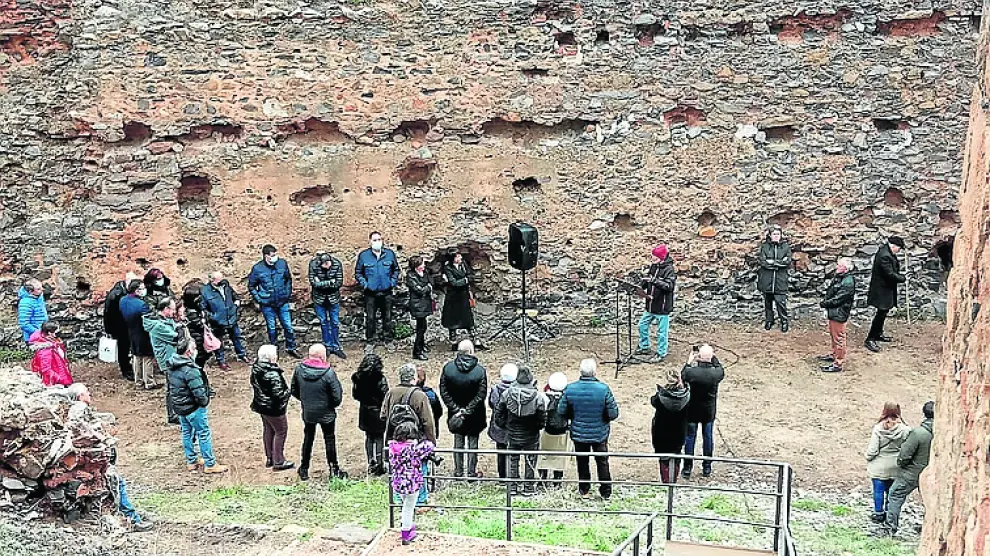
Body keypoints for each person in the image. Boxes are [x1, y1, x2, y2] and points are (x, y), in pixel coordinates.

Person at [557, 358, 619, 499]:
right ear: (594, 372)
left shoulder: (570, 389)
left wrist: (574, 416)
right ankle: (606, 492)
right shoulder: (604, 389)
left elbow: (561, 411)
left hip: (579, 433)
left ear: (581, 372)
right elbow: (613, 414)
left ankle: (584, 490)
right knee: (602, 462)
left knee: (582, 462)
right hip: (600, 433)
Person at [168, 338, 228, 474]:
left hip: (180, 407)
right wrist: (204, 401)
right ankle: (210, 463)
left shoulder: (172, 365)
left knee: (186, 432)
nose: (197, 350)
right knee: (203, 433)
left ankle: (192, 461)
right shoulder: (190, 370)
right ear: (189, 352)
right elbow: (199, 392)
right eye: (194, 348)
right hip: (193, 408)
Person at [290, 344, 345, 481]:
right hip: (326, 413)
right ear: (322, 356)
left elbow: (294, 390)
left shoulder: (299, 370)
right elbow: (337, 397)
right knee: (329, 439)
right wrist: (329, 406)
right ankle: (334, 469)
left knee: (308, 439)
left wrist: (306, 401)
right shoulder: (328, 373)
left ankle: (304, 469)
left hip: (308, 412)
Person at [883, 401, 934, 536]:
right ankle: (929, 528)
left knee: (895, 494)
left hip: (912, 472)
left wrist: (901, 464)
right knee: (930, 501)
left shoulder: (918, 433)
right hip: (933, 473)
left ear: (924, 414)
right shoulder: (944, 433)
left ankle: (890, 528)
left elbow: (904, 455)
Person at [494, 366, 547, 496]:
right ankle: (528, 487)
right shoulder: (537, 397)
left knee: (513, 460)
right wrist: (538, 427)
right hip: (531, 435)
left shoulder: (507, 394)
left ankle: (513, 486)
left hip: (512, 433)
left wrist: (505, 425)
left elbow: (498, 413)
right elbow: (542, 417)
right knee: (530, 461)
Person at [439, 340, 488, 478]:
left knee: (458, 441)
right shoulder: (480, 371)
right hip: (475, 414)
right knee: (473, 443)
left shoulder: (448, 369)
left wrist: (456, 409)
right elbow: (481, 395)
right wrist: (468, 410)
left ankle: (458, 472)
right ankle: (471, 472)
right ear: (471, 352)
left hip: (456, 413)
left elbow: (444, 391)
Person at [680, 345, 725, 479]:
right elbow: (720, 368)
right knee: (708, 438)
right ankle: (707, 467)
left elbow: (683, 373)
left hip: (692, 410)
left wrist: (689, 360)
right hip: (708, 411)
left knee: (690, 438)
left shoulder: (692, 373)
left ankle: (687, 467)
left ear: (698, 357)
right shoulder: (715, 374)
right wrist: (711, 357)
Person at [249, 244, 300, 358]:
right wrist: (260, 299)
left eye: (275, 254)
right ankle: (273, 350)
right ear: (266, 256)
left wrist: (287, 294)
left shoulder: (282, 263)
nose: (274, 257)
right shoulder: (257, 269)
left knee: (288, 326)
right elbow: (251, 286)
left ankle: (291, 347)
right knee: (271, 328)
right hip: (267, 304)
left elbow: (288, 279)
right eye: (272, 255)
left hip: (282, 301)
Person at [388, 422, 435, 546]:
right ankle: (406, 534)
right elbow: (429, 445)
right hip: (411, 482)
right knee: (409, 508)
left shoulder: (392, 447)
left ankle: (408, 526)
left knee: (405, 505)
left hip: (398, 482)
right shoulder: (413, 449)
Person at [864, 402, 911, 523]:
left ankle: (878, 513)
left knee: (878, 491)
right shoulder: (905, 430)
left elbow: (873, 450)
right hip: (896, 466)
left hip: (879, 467)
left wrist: (868, 457)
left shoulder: (878, 428)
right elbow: (907, 448)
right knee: (891, 492)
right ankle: (889, 514)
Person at [250, 344, 294, 471]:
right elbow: (278, 395)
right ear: (270, 358)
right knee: (281, 431)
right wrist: (289, 392)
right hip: (273, 409)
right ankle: (279, 461)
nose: (277, 356)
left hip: (261, 406)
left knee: (268, 430)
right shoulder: (272, 374)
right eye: (275, 354)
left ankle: (270, 457)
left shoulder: (257, 368)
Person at [355, 231, 400, 352]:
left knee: (388, 317)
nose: (377, 242)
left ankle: (388, 340)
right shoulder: (364, 255)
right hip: (371, 294)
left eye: (379, 239)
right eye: (374, 240)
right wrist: (365, 284)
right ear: (370, 242)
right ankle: (370, 341)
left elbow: (396, 270)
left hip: (386, 292)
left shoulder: (389, 254)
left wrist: (392, 282)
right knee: (370, 318)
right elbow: (358, 273)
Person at [144, 297, 184, 424]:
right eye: (172, 309)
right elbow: (176, 338)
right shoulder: (158, 326)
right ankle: (172, 415)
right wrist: (181, 329)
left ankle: (176, 412)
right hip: (168, 360)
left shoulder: (165, 321)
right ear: (166, 309)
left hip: (172, 357)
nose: (174, 312)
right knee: (172, 388)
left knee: (175, 386)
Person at [200, 271, 251, 367]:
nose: (221, 281)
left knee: (236, 337)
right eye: (218, 279)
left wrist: (236, 305)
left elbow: (234, 296)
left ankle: (242, 355)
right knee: (219, 341)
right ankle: (221, 361)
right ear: (212, 280)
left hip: (231, 317)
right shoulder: (205, 291)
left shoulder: (226, 285)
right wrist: (213, 316)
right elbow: (203, 308)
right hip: (218, 321)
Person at [866, 236, 907, 353]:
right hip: (882, 290)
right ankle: (870, 338)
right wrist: (902, 278)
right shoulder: (885, 256)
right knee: (880, 313)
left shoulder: (886, 251)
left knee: (883, 313)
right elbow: (889, 274)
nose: (898, 251)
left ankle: (878, 333)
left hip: (885, 289)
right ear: (894, 246)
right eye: (898, 249)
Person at [636, 244, 675, 363]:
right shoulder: (653, 267)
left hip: (662, 307)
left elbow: (669, 286)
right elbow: (647, 281)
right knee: (642, 325)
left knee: (661, 332)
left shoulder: (669, 269)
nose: (652, 258)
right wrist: (639, 286)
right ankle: (645, 347)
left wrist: (654, 281)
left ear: (661, 257)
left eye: (655, 257)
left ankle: (661, 353)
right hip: (650, 305)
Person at [651, 367, 691, 483]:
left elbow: (652, 401)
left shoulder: (660, 397)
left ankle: (666, 480)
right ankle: (673, 480)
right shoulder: (686, 396)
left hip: (662, 432)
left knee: (664, 458)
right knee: (677, 455)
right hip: (679, 431)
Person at [352, 354, 389, 476]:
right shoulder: (380, 379)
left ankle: (370, 462)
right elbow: (385, 396)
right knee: (379, 437)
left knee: (369, 437)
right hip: (377, 411)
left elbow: (355, 395)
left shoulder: (358, 378)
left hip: (365, 411)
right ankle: (379, 464)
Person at [382, 363, 437, 444]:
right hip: (415, 442)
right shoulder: (420, 395)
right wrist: (432, 442)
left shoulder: (391, 393)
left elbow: (383, 415)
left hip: (394, 441)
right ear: (414, 377)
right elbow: (428, 423)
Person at [441, 252, 485, 350]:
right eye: (457, 256)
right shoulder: (448, 268)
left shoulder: (463, 264)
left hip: (463, 296)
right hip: (453, 298)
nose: (460, 257)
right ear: (453, 258)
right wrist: (464, 280)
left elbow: (469, 275)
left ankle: (476, 341)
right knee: (452, 321)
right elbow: (454, 283)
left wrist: (464, 280)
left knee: (468, 320)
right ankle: (454, 342)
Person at [819, 258, 856, 373]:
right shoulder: (841, 277)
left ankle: (838, 363)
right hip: (835, 311)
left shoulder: (848, 282)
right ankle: (835, 354)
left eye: (839, 266)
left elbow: (838, 299)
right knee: (834, 335)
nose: (837, 267)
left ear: (845, 268)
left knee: (839, 337)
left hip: (839, 312)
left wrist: (824, 304)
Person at [119, 280, 157, 390]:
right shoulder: (142, 305)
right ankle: (149, 382)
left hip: (131, 331)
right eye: (142, 288)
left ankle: (138, 381)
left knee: (136, 356)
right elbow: (147, 321)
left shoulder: (123, 300)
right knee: (147, 357)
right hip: (143, 333)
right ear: (136, 290)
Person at [309, 252, 346, 359]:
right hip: (319, 299)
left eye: (328, 263)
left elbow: (338, 283)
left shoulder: (337, 264)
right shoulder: (313, 265)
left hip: (333, 298)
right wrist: (330, 282)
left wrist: (322, 283)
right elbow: (314, 284)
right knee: (323, 323)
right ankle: (327, 346)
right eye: (324, 264)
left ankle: (336, 346)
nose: (327, 266)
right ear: (320, 263)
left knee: (334, 323)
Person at [756, 225, 792, 333]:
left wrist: (773, 262)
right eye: (774, 234)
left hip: (780, 280)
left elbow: (787, 261)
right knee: (768, 302)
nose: (776, 236)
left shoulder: (785, 247)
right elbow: (763, 261)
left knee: (780, 302)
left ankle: (784, 321)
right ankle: (769, 320)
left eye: (778, 234)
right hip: (767, 279)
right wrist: (777, 263)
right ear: (770, 235)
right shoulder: (765, 246)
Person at [104, 272, 138, 380]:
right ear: (127, 282)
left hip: (130, 324)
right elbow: (108, 313)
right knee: (123, 348)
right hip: (119, 326)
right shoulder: (115, 295)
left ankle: (133, 367)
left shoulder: (130, 292)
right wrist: (109, 330)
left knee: (131, 345)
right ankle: (126, 370)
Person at [538, 372, 569, 488]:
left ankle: (542, 480)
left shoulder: (544, 397)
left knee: (543, 456)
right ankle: (557, 481)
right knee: (560, 457)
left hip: (546, 431)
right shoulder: (567, 398)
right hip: (562, 432)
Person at [488, 363, 518, 479]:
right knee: (513, 453)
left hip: (499, 426)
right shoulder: (517, 392)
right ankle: (512, 475)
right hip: (513, 427)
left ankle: (502, 475)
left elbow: (491, 404)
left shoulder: (495, 390)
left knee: (501, 452)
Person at [405, 256, 434, 361]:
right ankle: (417, 351)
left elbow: (431, 282)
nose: (424, 265)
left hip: (425, 303)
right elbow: (419, 290)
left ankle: (421, 345)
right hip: (417, 305)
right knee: (420, 328)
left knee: (423, 326)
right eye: (422, 264)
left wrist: (428, 287)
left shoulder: (424, 273)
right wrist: (428, 287)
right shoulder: (411, 276)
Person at [29, 321, 73, 386]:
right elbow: (46, 370)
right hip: (56, 383)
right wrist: (59, 379)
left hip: (61, 375)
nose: (59, 333)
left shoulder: (53, 341)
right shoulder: (45, 350)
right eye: (57, 331)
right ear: (50, 333)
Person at [181, 281, 211, 369]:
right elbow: (202, 326)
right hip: (197, 346)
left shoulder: (197, 312)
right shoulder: (192, 315)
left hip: (200, 345)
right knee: (197, 366)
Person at [17, 278, 48, 344]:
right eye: (39, 289)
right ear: (30, 292)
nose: (42, 290)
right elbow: (24, 324)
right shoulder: (25, 303)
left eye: (41, 287)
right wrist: (38, 333)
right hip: (33, 337)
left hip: (43, 334)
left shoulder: (38, 296)